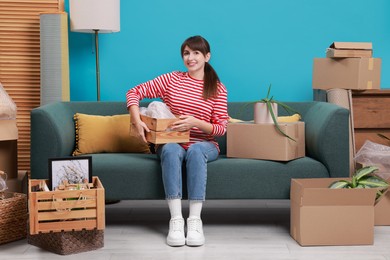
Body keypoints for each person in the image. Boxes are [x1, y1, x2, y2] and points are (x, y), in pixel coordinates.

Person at [126, 35, 228, 247]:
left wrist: (195, 122)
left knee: (195, 151)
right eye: (186, 53)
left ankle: (195, 221)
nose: (190, 58)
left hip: (205, 145)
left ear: (207, 56)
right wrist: (137, 121)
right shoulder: (172, 79)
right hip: (172, 141)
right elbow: (134, 92)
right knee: (171, 150)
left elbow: (221, 129)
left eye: (196, 53)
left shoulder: (218, 89)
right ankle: (175, 219)